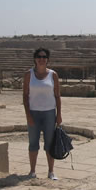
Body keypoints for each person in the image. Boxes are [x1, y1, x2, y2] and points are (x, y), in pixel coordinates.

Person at [23, 47, 62, 179]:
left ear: (48, 60)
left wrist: (59, 115)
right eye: (39, 57)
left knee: (49, 143)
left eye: (44, 57)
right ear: (35, 59)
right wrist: (28, 115)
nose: (41, 59)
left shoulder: (53, 75)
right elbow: (25, 96)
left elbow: (57, 96)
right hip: (33, 112)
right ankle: (32, 171)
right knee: (33, 143)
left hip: (49, 113)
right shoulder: (29, 75)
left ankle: (51, 172)